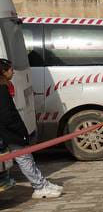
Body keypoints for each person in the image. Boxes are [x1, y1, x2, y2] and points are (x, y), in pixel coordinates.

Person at [0, 59, 62, 199]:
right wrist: (19, 131)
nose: (13, 72)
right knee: (24, 159)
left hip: (11, 131)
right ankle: (39, 187)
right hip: (11, 133)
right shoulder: (2, 89)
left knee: (27, 158)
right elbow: (6, 116)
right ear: (3, 72)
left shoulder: (4, 86)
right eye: (10, 69)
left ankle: (42, 183)